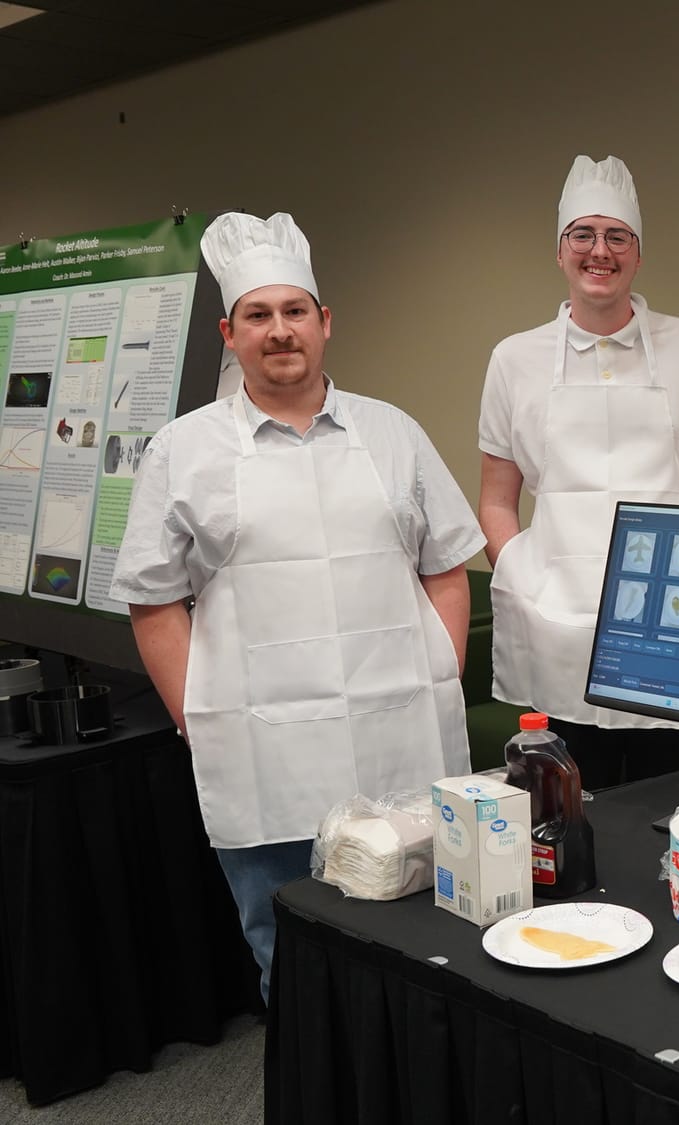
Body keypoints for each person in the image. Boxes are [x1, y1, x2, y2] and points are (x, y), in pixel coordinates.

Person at [110, 212, 481, 1000]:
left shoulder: (394, 433)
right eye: (258, 314)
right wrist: (200, 719)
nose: (279, 330)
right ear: (230, 333)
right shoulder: (183, 449)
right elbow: (153, 602)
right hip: (263, 760)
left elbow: (447, 566)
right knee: (291, 955)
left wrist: (439, 675)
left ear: (324, 322)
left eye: (294, 310)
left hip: (401, 747)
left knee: (429, 951)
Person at [478, 156, 679, 789]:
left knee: (669, 804)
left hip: (672, 631)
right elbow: (496, 499)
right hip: (559, 631)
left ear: (638, 253)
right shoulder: (514, 359)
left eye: (617, 236)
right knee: (574, 814)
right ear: (560, 250)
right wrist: (524, 579)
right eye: (583, 235)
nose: (600, 251)